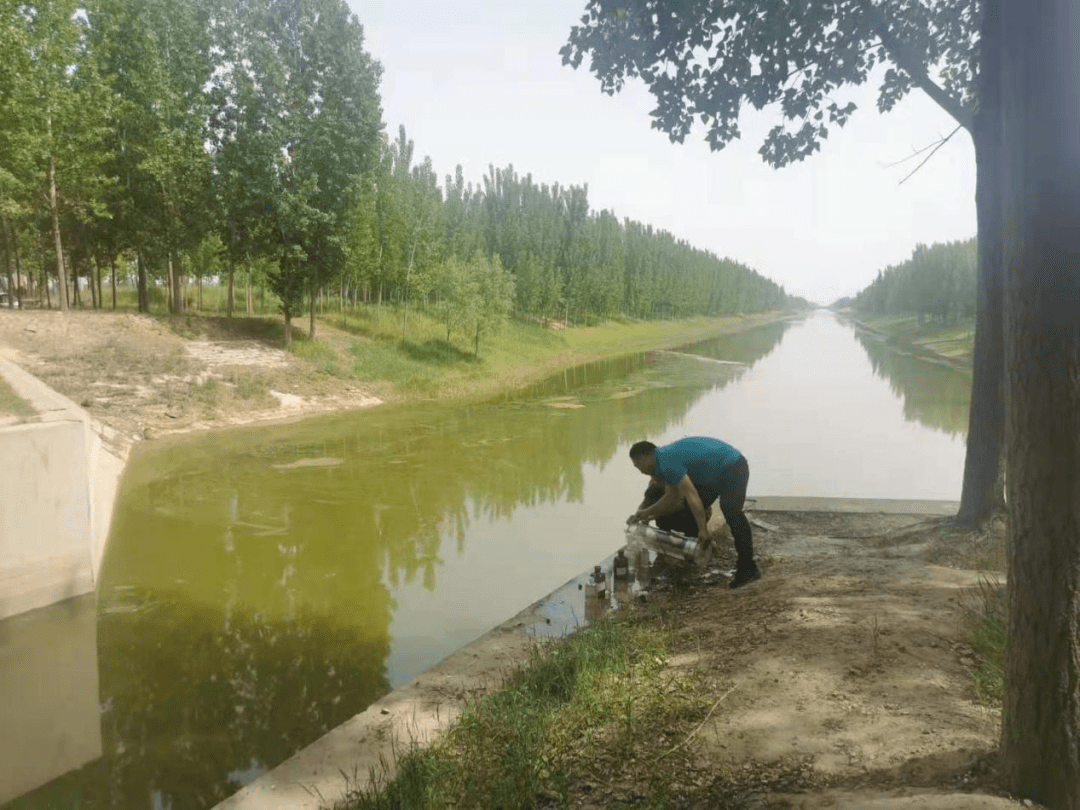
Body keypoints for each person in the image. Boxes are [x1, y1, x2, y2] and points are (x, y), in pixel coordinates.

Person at [627, 437, 761, 588]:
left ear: (645, 457)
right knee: (691, 509)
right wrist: (644, 514)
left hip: (732, 466)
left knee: (732, 512)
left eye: (638, 465)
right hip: (713, 473)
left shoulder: (667, 461)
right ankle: (705, 549)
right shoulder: (662, 461)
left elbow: (691, 495)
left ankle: (748, 567)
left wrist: (704, 530)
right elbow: (670, 498)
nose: (640, 470)